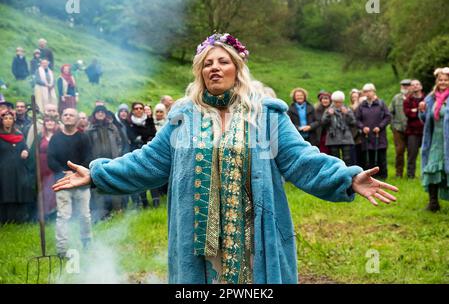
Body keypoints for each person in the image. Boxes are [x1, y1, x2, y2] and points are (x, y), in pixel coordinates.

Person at [53, 33, 398, 284]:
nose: (214, 69)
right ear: (200, 72)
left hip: (253, 237)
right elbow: (149, 162)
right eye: (207, 64)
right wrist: (99, 174)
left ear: (237, 68)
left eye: (223, 61)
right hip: (200, 239)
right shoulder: (183, 116)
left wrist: (346, 177)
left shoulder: (265, 114)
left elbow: (300, 159)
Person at [48, 108, 92, 257]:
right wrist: (63, 172)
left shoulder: (84, 138)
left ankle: (86, 243)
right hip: (62, 182)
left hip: (81, 182)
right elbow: (51, 159)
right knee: (63, 216)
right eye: (65, 114)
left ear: (77, 119)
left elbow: (88, 157)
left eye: (71, 115)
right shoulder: (55, 138)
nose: (68, 117)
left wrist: (76, 173)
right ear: (61, 118)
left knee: (84, 215)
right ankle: (62, 250)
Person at [419, 67, 449, 212]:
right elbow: (425, 120)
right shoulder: (430, 98)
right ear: (437, 81)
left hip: (447, 140)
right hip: (435, 141)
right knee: (431, 169)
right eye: (440, 80)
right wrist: (422, 111)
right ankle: (433, 203)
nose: (443, 82)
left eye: (446, 80)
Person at [86, 105, 123, 221]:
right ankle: (102, 214)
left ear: (106, 114)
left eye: (102, 112)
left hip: (112, 162)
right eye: (98, 112)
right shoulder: (90, 130)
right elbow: (88, 147)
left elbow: (119, 143)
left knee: (114, 184)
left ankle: (117, 210)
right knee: (99, 188)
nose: (100, 114)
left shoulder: (113, 127)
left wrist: (118, 155)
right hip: (97, 164)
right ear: (94, 115)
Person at [0, 110, 33, 223]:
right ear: (2, 121)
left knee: (17, 192)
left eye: (10, 118)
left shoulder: (19, 135)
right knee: (5, 192)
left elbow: (25, 147)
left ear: (13, 120)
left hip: (18, 169)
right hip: (3, 170)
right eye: (5, 118)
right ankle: (4, 219)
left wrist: (25, 151)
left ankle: (18, 219)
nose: (8, 121)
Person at [355, 83, 391, 179]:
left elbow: (388, 117)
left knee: (381, 156)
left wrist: (380, 126)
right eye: (365, 92)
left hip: (379, 135)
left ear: (373, 91)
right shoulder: (362, 105)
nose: (367, 93)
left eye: (368, 91)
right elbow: (356, 119)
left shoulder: (381, 103)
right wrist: (363, 127)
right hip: (367, 136)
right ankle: (371, 177)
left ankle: (383, 176)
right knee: (369, 156)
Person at [127, 102, 157, 208]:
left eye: (141, 108)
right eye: (136, 108)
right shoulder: (129, 123)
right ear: (133, 110)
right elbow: (132, 137)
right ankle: (144, 202)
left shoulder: (148, 120)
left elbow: (153, 133)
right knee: (141, 177)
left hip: (149, 153)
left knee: (153, 176)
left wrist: (143, 136)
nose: (139, 110)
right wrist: (145, 136)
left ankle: (156, 201)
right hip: (137, 153)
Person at [321, 91, 356, 166]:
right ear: (333, 101)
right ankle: (337, 175)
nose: (337, 104)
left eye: (339, 102)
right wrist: (328, 115)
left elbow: (353, 122)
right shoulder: (329, 110)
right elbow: (323, 123)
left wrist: (347, 114)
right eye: (336, 102)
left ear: (342, 101)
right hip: (333, 138)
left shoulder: (347, 109)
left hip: (345, 137)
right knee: (335, 159)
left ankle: (348, 175)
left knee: (347, 159)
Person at [38, 116, 60, 217]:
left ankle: (54, 213)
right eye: (47, 121)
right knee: (44, 190)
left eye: (52, 121)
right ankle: (45, 213)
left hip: (55, 167)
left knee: (54, 188)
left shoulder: (58, 136)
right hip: (43, 167)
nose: (50, 123)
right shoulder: (40, 136)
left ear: (55, 124)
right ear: (44, 124)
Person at [389, 79, 411, 178]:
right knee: (399, 151)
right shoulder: (396, 98)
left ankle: (411, 174)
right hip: (398, 129)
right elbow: (390, 112)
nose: (405, 87)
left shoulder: (413, 98)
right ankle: (399, 173)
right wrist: (393, 126)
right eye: (403, 85)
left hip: (411, 130)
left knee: (411, 152)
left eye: (407, 85)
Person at [403, 80, 425, 179]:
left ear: (421, 86)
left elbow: (428, 113)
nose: (415, 86)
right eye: (413, 85)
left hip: (425, 130)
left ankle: (425, 175)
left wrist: (415, 110)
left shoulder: (427, 98)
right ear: (410, 88)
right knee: (412, 154)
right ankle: (410, 175)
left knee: (426, 154)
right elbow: (408, 114)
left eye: (417, 84)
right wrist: (418, 110)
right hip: (412, 132)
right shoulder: (407, 100)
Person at [349, 89, 363, 166]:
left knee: (361, 153)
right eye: (353, 97)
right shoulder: (349, 108)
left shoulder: (362, 107)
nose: (354, 98)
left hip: (362, 133)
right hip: (353, 133)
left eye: (356, 97)